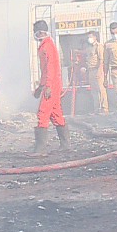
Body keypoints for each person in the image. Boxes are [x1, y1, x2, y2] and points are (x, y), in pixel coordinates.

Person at [32, 20, 71, 154]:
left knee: (42, 113)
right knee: (56, 114)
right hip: (51, 84)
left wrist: (47, 86)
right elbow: (47, 70)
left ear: (38, 32)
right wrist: (40, 87)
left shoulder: (47, 46)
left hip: (52, 85)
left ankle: (40, 148)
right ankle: (66, 145)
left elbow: (51, 68)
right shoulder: (46, 45)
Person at [84, 31, 108, 115]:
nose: (89, 39)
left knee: (101, 89)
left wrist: (99, 71)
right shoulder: (89, 48)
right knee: (94, 91)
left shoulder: (99, 47)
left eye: (90, 37)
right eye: (88, 37)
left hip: (98, 70)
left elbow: (101, 60)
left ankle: (104, 108)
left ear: (95, 37)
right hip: (91, 70)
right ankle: (97, 109)